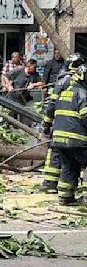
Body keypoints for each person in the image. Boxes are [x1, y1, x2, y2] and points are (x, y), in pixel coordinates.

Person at [41, 53, 86, 193]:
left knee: (60, 155)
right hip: (72, 126)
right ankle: (53, 184)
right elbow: (53, 104)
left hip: (61, 123)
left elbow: (52, 105)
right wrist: (47, 124)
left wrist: (47, 124)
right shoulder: (71, 82)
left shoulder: (63, 79)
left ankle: (51, 184)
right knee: (63, 157)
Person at [50, 65, 87, 205]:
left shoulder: (64, 92)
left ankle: (65, 197)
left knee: (69, 166)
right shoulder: (83, 94)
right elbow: (86, 116)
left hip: (59, 139)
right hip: (77, 140)